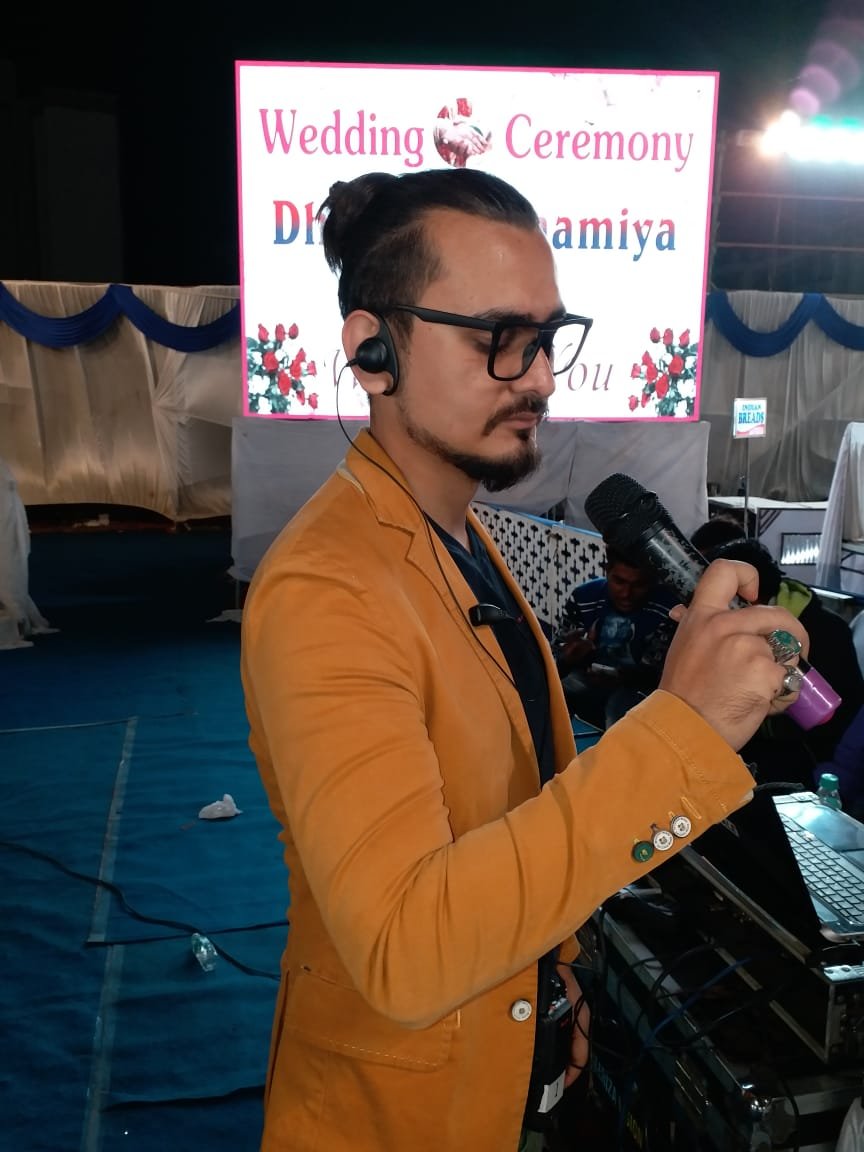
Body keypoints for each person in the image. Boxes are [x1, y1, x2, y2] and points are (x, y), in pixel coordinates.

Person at [240, 168, 808, 1152]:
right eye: (499, 338)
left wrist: (547, 978)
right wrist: (680, 731)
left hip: (508, 1069)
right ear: (374, 351)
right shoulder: (327, 590)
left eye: (547, 337)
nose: (541, 377)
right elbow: (405, 949)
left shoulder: (460, 535)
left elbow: (504, 809)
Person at [699, 536, 864, 782]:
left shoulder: (824, 631)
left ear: (747, 595)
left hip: (809, 762)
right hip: (754, 750)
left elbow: (831, 723)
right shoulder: (737, 629)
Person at [552, 548, 680, 729]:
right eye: (619, 581)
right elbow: (553, 658)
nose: (626, 593)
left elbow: (661, 676)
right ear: (607, 571)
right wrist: (567, 658)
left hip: (639, 690)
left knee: (621, 707)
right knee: (552, 692)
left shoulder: (670, 610)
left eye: (639, 585)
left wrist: (624, 678)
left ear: (652, 581)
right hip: (587, 678)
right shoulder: (584, 597)